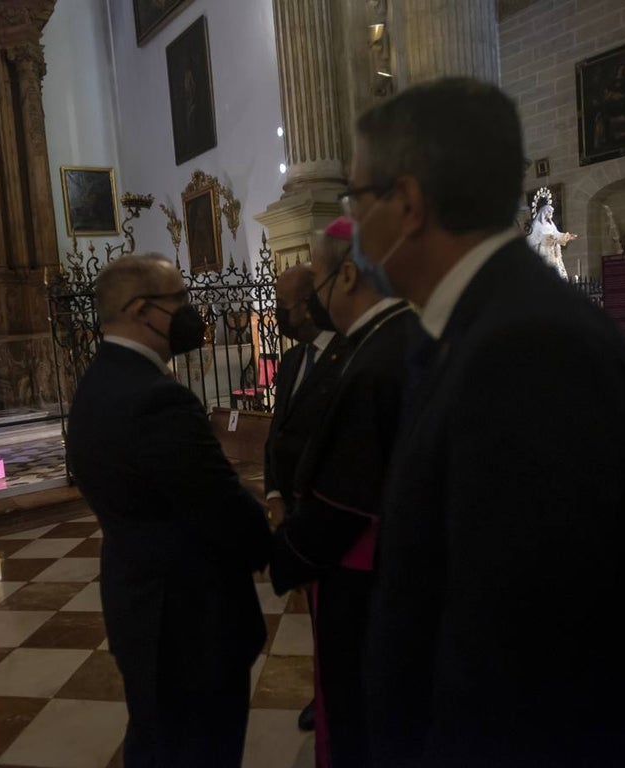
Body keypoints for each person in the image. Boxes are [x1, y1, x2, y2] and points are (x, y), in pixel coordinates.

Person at [350, 77, 625, 766]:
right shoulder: (477, 323)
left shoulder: (533, 348)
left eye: (357, 198)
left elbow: (517, 659)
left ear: (408, 203)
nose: (352, 225)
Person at [66, 254, 271, 766]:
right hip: (188, 618)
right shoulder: (157, 398)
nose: (190, 311)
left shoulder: (98, 382)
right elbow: (219, 506)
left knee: (157, 738)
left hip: (139, 599)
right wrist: (278, 543)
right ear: (141, 309)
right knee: (196, 747)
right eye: (179, 299)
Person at [270, 217, 416, 767]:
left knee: (357, 711)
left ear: (348, 276)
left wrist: (284, 554)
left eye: (320, 279)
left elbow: (344, 502)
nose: (316, 299)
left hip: (363, 577)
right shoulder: (404, 337)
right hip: (401, 567)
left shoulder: (374, 361)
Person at [263, 263, 348, 735]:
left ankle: (340, 693)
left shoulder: (349, 356)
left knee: (341, 615)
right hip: (294, 512)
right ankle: (325, 689)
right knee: (316, 616)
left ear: (310, 305)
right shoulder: (293, 360)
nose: (278, 312)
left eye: (283, 303)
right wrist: (274, 494)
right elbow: (277, 435)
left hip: (333, 513)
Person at [525, 195, 576, 279]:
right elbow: (532, 239)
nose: (551, 215)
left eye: (551, 213)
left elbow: (557, 234)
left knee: (557, 273)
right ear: (544, 213)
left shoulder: (551, 224)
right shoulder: (537, 225)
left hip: (553, 252)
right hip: (543, 252)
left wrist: (568, 236)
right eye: (549, 213)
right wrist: (548, 238)